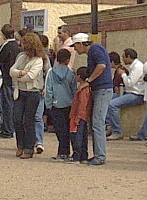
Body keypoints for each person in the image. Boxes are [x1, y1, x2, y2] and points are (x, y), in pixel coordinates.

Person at [72, 33, 112, 166]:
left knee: (97, 122)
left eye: (76, 45)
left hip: (103, 89)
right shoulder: (93, 51)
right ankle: (98, 154)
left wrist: (89, 81)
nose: (75, 49)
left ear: (81, 44)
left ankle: (100, 156)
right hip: (100, 89)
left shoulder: (95, 49)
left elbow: (102, 66)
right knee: (95, 123)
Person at [10, 32, 46, 159]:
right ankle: (20, 144)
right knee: (17, 119)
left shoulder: (38, 60)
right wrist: (21, 73)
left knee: (28, 121)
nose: (22, 45)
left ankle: (29, 148)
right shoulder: (21, 57)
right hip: (20, 91)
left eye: (24, 43)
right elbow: (11, 71)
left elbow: (31, 76)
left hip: (33, 92)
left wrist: (18, 76)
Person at [45, 49, 77, 161]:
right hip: (69, 104)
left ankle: (62, 151)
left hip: (55, 104)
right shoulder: (71, 73)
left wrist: (48, 104)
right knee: (68, 129)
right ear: (68, 60)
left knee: (59, 129)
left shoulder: (51, 72)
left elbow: (48, 89)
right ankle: (67, 152)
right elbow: (74, 90)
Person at [106, 48, 145, 141]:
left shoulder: (138, 67)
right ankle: (108, 125)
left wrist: (123, 74)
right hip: (129, 92)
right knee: (108, 99)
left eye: (124, 57)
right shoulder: (133, 66)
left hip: (136, 94)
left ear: (129, 56)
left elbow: (129, 83)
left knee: (112, 104)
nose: (122, 59)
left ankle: (117, 131)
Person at [0, 24, 20, 139]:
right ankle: (10, 127)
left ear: (3, 34)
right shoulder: (17, 46)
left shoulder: (7, 46)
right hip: (16, 79)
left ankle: (7, 130)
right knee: (13, 105)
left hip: (7, 79)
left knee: (7, 105)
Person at [68, 66, 92, 164]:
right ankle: (83, 156)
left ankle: (77, 156)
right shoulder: (87, 88)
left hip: (78, 116)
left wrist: (77, 116)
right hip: (83, 116)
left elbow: (82, 103)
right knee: (83, 136)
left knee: (77, 136)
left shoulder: (82, 89)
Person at [34, 34, 52, 155]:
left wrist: (46, 87)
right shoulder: (24, 56)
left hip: (39, 90)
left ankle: (39, 141)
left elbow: (48, 72)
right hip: (27, 90)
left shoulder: (44, 57)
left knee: (37, 117)